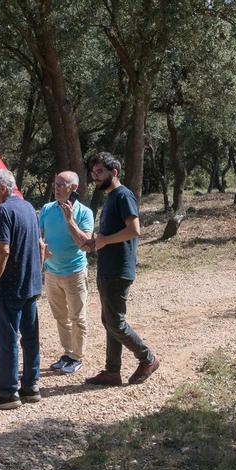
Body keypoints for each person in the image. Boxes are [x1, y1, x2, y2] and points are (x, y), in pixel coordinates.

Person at [83, 152, 159, 386]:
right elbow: (111, 235)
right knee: (109, 321)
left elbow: (134, 230)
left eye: (100, 172)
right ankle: (112, 371)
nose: (95, 177)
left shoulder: (123, 195)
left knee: (115, 322)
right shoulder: (111, 197)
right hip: (108, 267)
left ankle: (147, 359)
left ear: (114, 172)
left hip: (119, 269)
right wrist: (97, 241)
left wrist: (104, 241)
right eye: (93, 173)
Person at [0, 170, 43, 409]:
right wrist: (39, 276)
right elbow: (39, 244)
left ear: (3, 189)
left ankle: (8, 392)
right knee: (30, 337)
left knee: (7, 339)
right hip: (31, 284)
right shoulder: (28, 207)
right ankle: (31, 386)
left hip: (10, 286)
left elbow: (3, 250)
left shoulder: (3, 211)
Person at [39, 171, 94, 374]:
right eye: (55, 184)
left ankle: (77, 357)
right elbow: (39, 234)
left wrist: (70, 220)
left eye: (62, 184)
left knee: (77, 317)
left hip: (74, 273)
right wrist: (42, 249)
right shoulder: (46, 209)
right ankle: (68, 352)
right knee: (60, 316)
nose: (57, 188)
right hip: (51, 273)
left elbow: (86, 245)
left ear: (74, 188)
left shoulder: (84, 213)